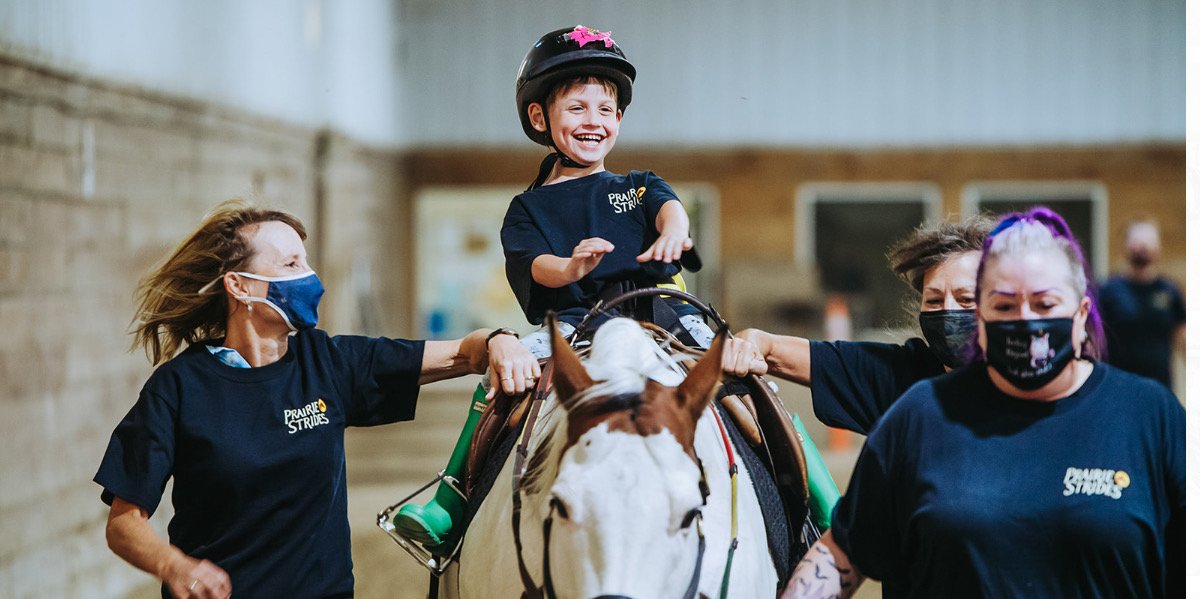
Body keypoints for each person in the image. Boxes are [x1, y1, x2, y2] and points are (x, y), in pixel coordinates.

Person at [95, 200, 540, 598]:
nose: (310, 278)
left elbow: (464, 352)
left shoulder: (329, 361)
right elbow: (124, 522)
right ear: (240, 287)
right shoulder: (179, 387)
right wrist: (174, 566)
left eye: (305, 262)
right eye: (290, 264)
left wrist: (500, 340)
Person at [393, 25, 713, 553]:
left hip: (663, 314)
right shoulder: (527, 210)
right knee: (503, 382)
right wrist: (571, 267)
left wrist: (676, 231)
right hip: (577, 322)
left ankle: (814, 498)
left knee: (749, 379)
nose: (595, 122)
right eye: (578, 108)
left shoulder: (637, 185)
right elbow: (534, 265)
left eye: (606, 110)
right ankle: (449, 497)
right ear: (540, 117)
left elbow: (669, 208)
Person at [782, 208, 1183, 598]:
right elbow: (842, 555)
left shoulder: (1152, 418)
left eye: (1044, 304)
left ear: (1080, 315)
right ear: (983, 321)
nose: (1025, 321)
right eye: (1005, 306)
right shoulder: (918, 416)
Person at [723, 215, 994, 434]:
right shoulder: (901, 378)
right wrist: (747, 345)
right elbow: (768, 347)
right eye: (934, 301)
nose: (947, 311)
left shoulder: (1026, 384)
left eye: (965, 299)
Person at [1099, 217, 1185, 389]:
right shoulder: (1108, 290)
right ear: (1125, 246)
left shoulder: (1169, 290)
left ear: (1159, 247)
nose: (1143, 247)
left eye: (1148, 241)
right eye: (1137, 241)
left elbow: (1183, 339)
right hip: (1118, 387)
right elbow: (1094, 338)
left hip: (1160, 389)